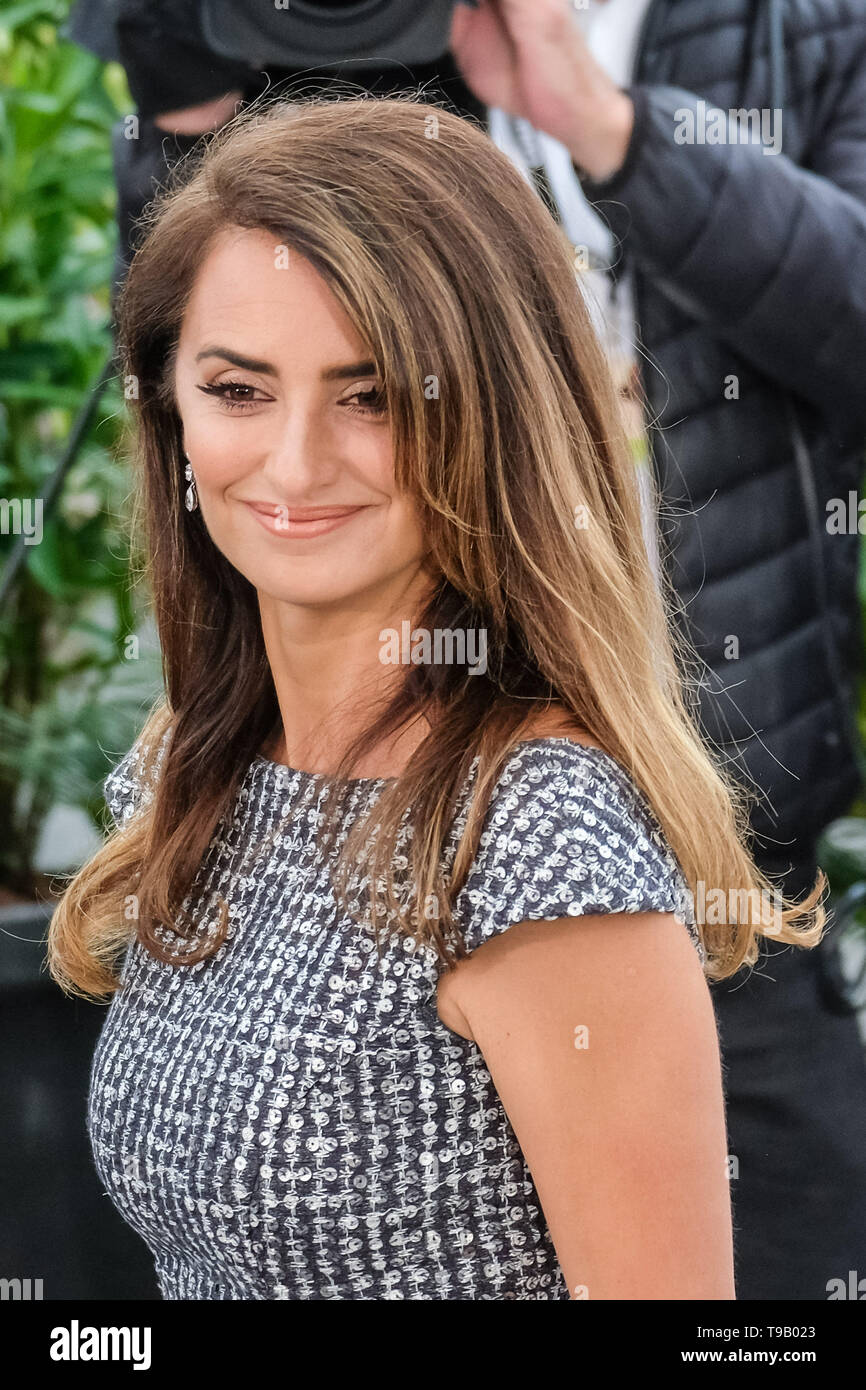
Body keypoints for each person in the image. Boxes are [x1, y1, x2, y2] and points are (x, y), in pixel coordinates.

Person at [64, 0, 866, 1298]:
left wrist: (606, 131)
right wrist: (182, 93)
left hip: (708, 840)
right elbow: (227, 280)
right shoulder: (200, 765)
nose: (293, 457)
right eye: (236, 393)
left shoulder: (543, 848)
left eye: (374, 394)